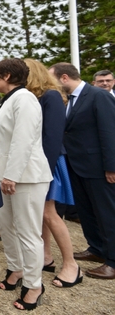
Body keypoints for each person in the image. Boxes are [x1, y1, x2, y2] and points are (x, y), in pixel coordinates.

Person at [0, 58, 52, 311]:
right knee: (6, 226)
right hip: (5, 175)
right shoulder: (10, 100)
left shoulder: (25, 98)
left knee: (28, 232)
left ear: (6, 75)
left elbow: (24, 138)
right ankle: (15, 268)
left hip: (26, 177)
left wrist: (12, 175)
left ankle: (34, 284)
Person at [49, 63, 115, 280]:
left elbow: (109, 132)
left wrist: (111, 166)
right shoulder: (67, 100)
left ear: (64, 77)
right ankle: (96, 249)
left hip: (98, 168)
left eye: (53, 79)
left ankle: (112, 261)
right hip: (76, 166)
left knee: (107, 214)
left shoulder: (98, 96)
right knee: (87, 212)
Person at [24, 59, 82, 289]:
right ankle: (46, 257)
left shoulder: (51, 96)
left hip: (49, 162)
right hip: (40, 162)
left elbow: (53, 136)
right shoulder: (38, 97)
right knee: (40, 214)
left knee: (49, 213)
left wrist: (44, 171)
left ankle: (71, 266)